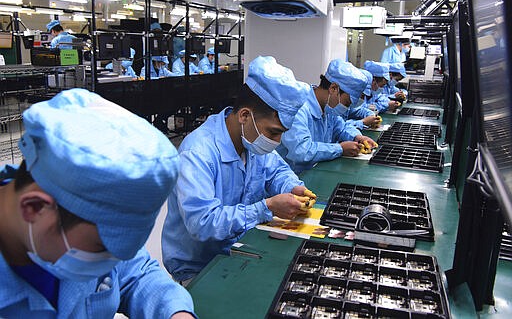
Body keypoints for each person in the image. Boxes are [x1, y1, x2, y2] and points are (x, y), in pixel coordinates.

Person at [0, 88, 195, 318]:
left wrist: (175, 311)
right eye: (101, 248)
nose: (109, 261)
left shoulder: (95, 227)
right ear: (35, 208)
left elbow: (136, 272)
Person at [162, 56, 316, 283]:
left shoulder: (250, 141)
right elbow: (203, 223)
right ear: (245, 115)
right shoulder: (198, 153)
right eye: (273, 133)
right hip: (199, 270)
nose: (277, 140)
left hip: (240, 249)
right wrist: (268, 207)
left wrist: (293, 188)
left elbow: (277, 171)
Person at [276, 59, 378, 174]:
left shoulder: (328, 107)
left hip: (315, 172)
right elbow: (301, 151)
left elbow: (342, 128)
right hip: (295, 177)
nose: (347, 108)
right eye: (347, 103)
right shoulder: (298, 108)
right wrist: (340, 149)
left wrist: (357, 137)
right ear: (333, 88)